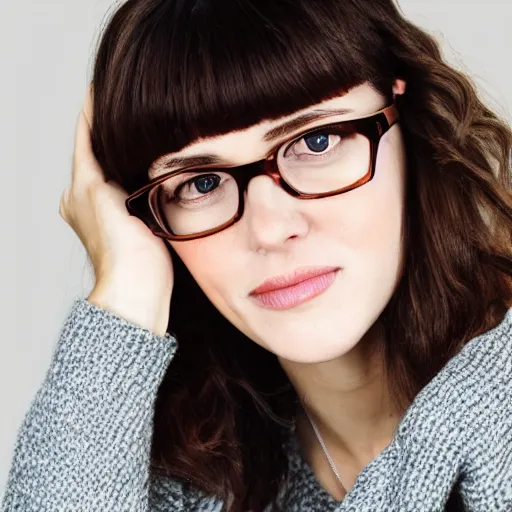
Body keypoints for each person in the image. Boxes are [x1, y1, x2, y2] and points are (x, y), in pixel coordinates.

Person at [2, 0, 511, 511]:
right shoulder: (192, 477)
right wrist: (125, 293)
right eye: (200, 183)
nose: (270, 228)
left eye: (316, 141)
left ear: (405, 110)